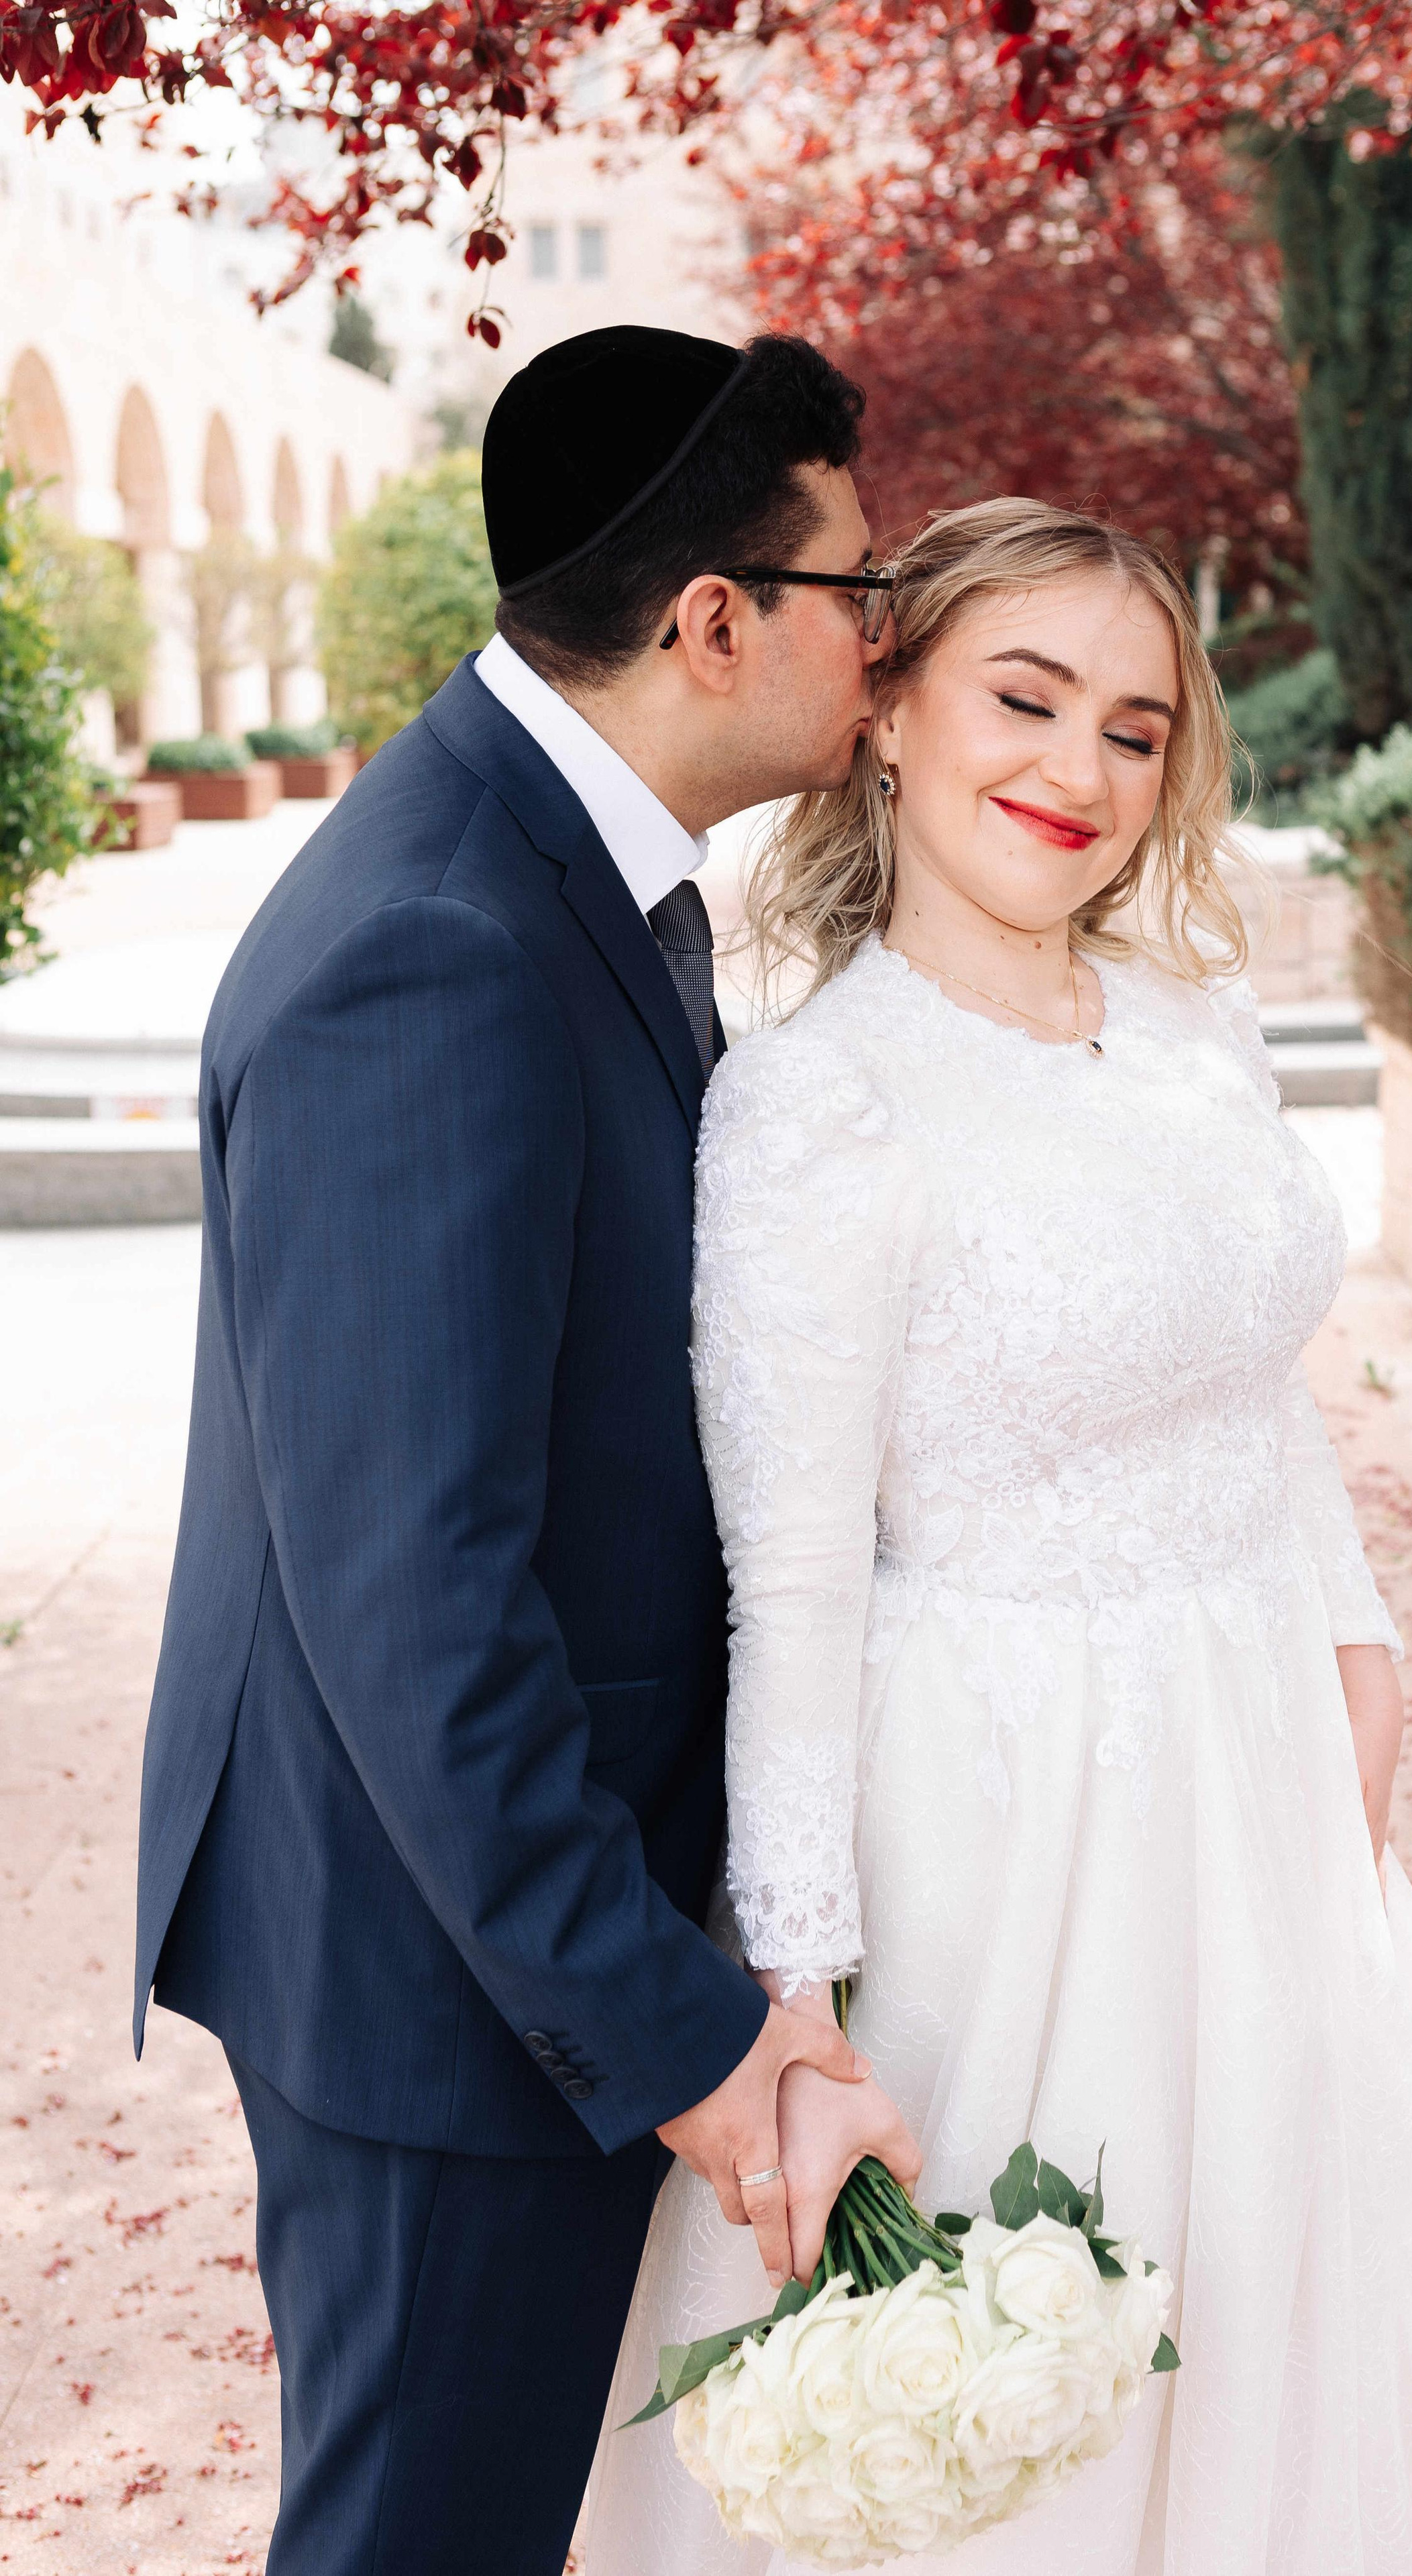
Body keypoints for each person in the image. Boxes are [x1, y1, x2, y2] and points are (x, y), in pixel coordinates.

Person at [581, 496, 1412, 2571]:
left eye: (1134, 725)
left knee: (1297, 2297)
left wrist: (1357, 1641)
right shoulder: (820, 1104)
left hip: (1267, 1764)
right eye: (1026, 699)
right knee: (1042, 2379)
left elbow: (1252, 1369)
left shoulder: (1188, 1018)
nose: (1081, 773)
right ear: (895, 710)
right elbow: (800, 1582)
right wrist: (804, 1996)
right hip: (1005, 1813)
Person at [131, 325, 920, 2576]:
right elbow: (415, 1604)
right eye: (855, 599)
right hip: (444, 1982)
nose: (885, 647)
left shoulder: (561, 863)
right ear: (713, 623)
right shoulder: (439, 945)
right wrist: (682, 2039)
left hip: (497, 1928)